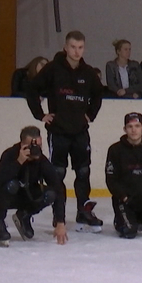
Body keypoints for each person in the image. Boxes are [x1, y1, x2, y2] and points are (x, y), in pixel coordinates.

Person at [26, 30, 104, 232]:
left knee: (83, 171)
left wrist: (90, 115)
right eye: (73, 47)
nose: (77, 52)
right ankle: (58, 214)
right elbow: (32, 89)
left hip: (80, 131)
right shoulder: (53, 69)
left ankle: (83, 211)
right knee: (57, 173)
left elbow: (98, 94)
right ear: (65, 47)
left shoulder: (88, 73)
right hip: (58, 131)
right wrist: (40, 115)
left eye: (80, 48)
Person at [0, 126, 68, 246]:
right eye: (32, 146)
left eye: (39, 146)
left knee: (50, 194)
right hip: (8, 196)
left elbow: (58, 187)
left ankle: (24, 215)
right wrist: (19, 162)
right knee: (11, 185)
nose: (36, 149)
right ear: (22, 144)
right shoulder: (10, 154)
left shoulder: (41, 161)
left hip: (28, 195)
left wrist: (60, 222)